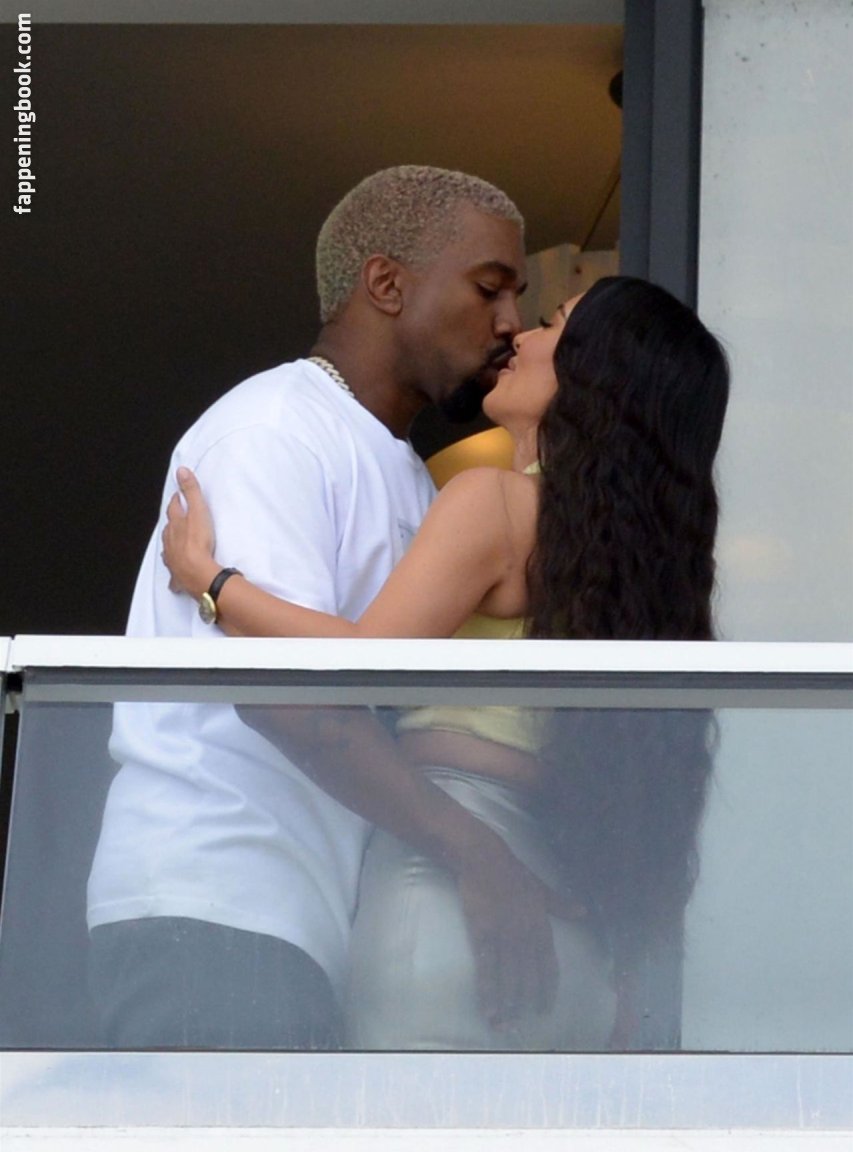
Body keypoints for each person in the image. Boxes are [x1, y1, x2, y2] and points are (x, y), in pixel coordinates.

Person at [162, 276, 731, 1048]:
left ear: (596, 372)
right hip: (580, 940)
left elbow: (360, 663)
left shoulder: (492, 504)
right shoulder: (644, 577)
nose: (519, 337)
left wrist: (213, 584)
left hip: (450, 899)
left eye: (552, 325)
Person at [88, 164, 577, 1051]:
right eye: (489, 288)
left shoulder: (409, 471)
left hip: (303, 924)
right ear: (386, 284)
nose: (510, 322)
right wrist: (476, 852)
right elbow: (290, 696)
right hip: (215, 907)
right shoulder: (275, 429)